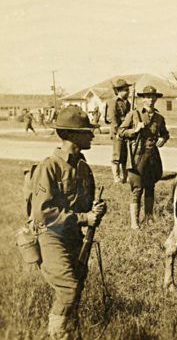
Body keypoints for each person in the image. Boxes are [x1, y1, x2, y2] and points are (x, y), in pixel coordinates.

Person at [29, 105, 107, 339]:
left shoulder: (82, 167)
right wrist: (85, 218)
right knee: (68, 287)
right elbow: (44, 213)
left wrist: (94, 210)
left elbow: (83, 204)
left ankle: (71, 332)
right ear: (72, 135)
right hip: (51, 235)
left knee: (77, 285)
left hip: (73, 236)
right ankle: (57, 335)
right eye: (87, 131)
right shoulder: (49, 167)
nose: (92, 134)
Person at [119, 85, 170, 230]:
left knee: (150, 187)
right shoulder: (134, 114)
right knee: (137, 189)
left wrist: (163, 139)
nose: (150, 99)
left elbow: (165, 133)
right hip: (137, 156)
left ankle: (148, 218)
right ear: (142, 99)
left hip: (152, 156)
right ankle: (134, 223)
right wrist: (135, 130)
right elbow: (120, 132)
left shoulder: (159, 117)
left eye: (153, 97)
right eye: (147, 97)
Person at [107, 79, 132, 183]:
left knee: (125, 156)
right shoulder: (113, 102)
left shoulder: (128, 103)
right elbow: (113, 118)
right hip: (117, 132)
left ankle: (125, 178)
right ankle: (116, 178)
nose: (128, 92)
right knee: (117, 156)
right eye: (126, 90)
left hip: (125, 132)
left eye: (128, 90)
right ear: (119, 91)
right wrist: (118, 132)